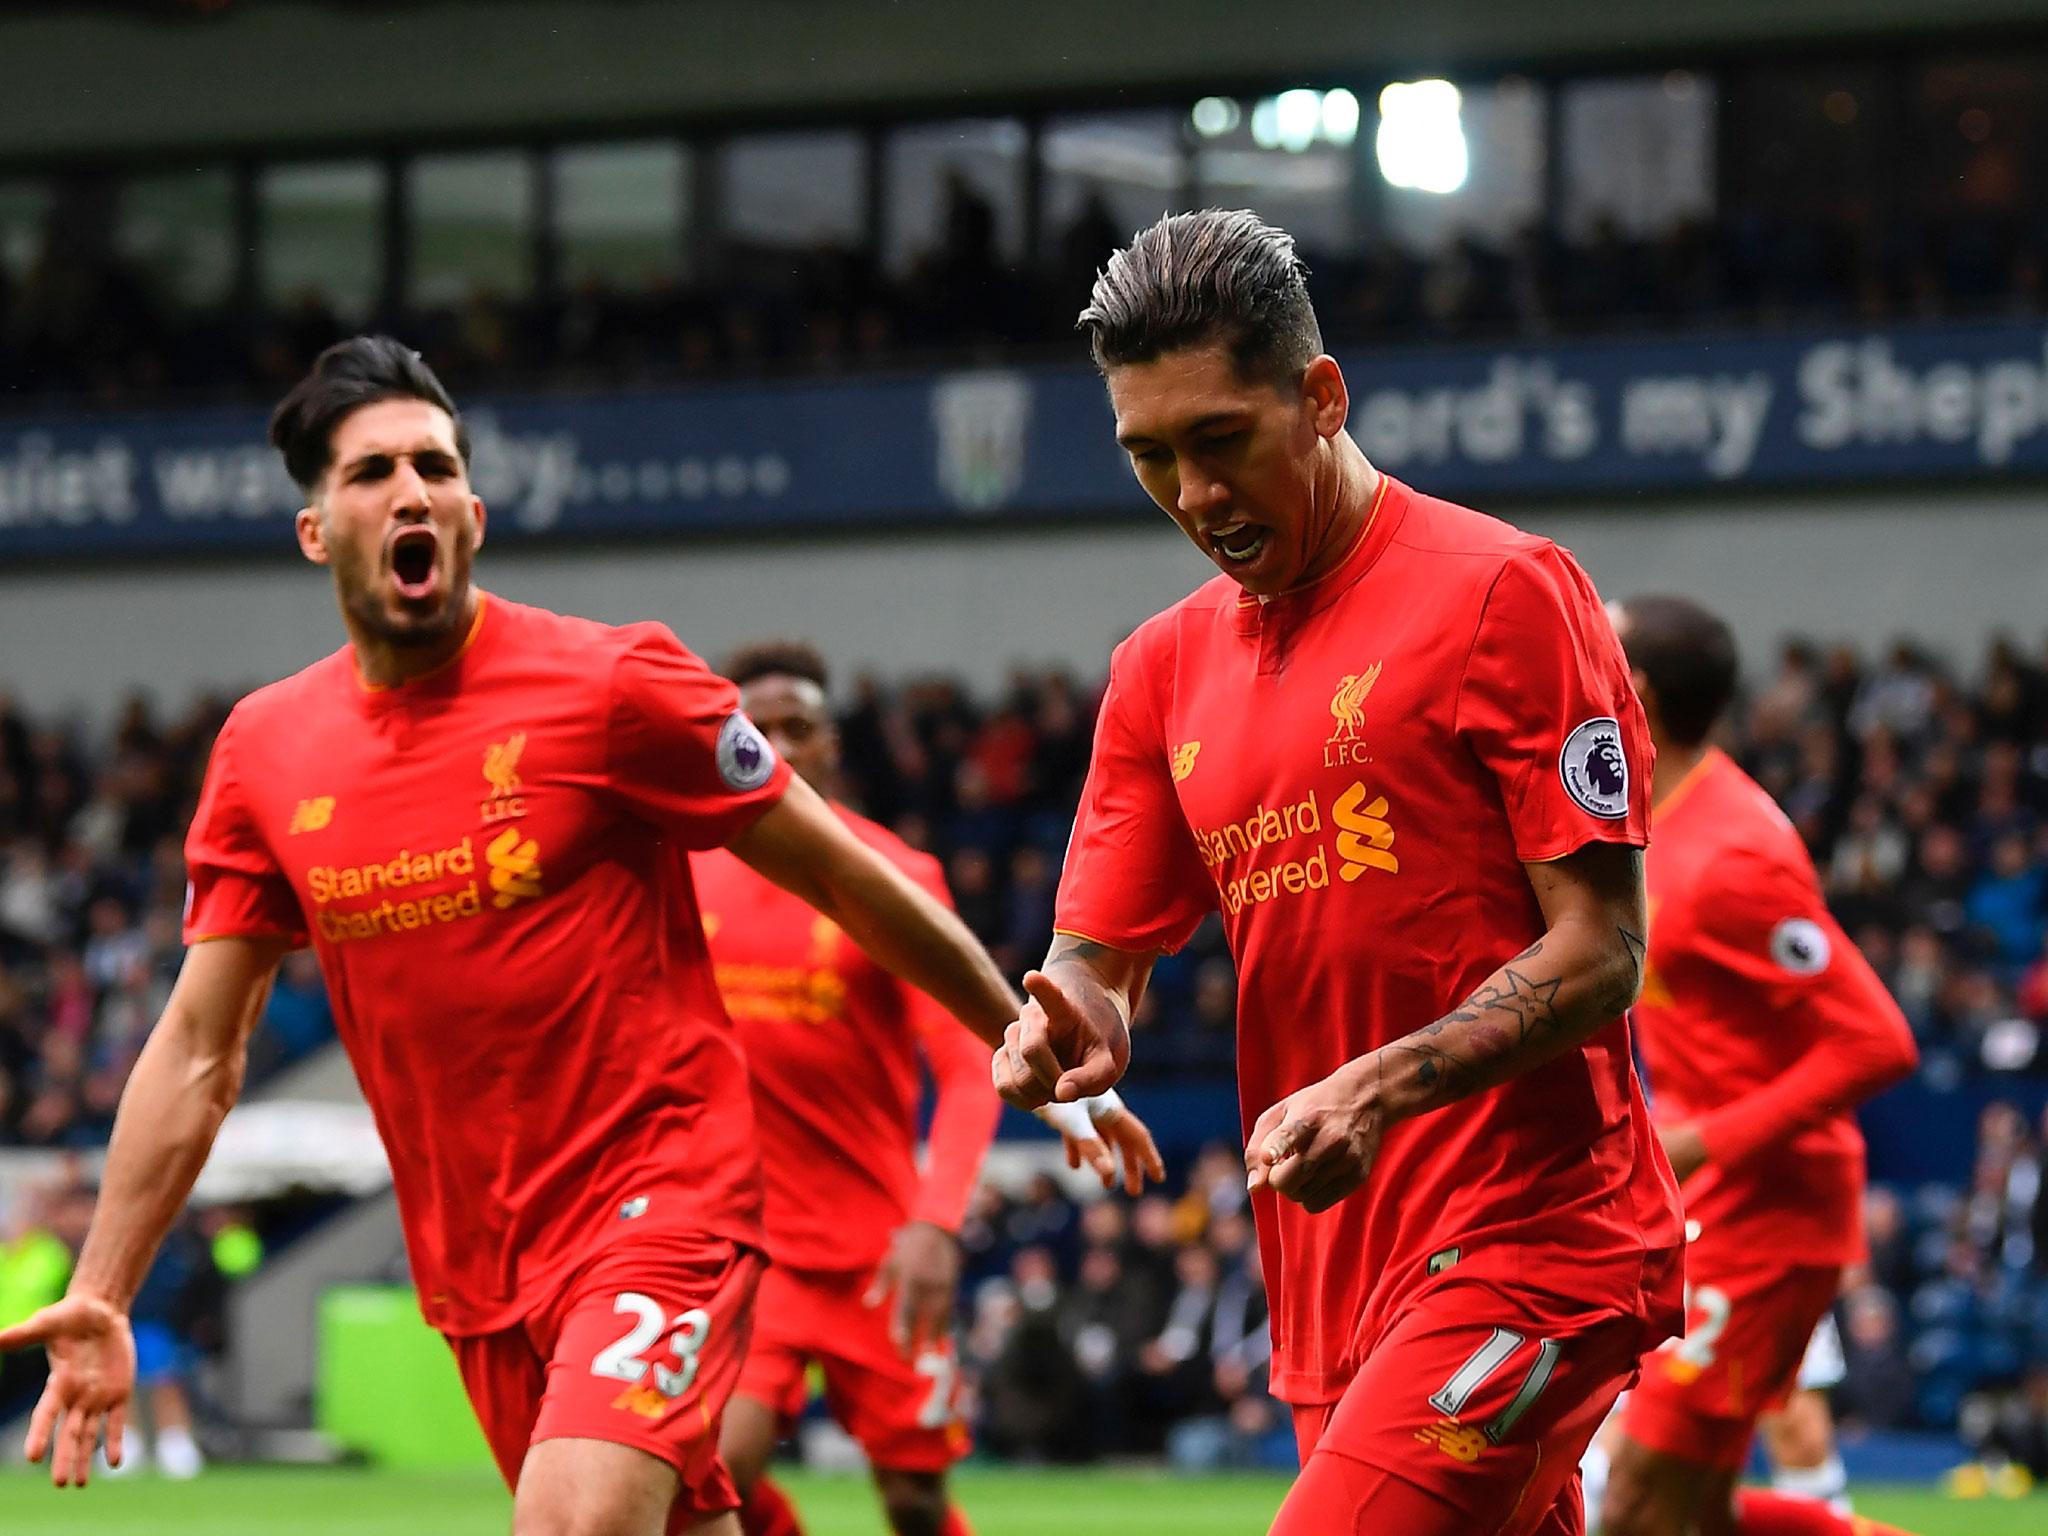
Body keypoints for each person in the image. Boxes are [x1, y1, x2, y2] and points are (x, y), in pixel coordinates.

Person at [0, 336, 1039, 1536]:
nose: (412, 492)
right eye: (373, 471)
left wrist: (1033, 1045)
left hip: (661, 1196)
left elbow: (850, 879)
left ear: (474, 513)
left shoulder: (613, 686)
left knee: (574, 1522)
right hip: (476, 1257)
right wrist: (103, 1288)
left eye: (435, 467)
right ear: (314, 529)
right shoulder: (263, 753)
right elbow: (196, 1048)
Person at [992, 208, 1685, 1536]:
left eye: (1220, 442)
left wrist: (1373, 1085)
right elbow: (1102, 956)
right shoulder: (1158, 671)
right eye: (1150, 457)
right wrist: (1071, 1018)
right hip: (1333, 1266)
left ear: (1320, 396)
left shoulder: (1504, 593)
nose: (1193, 496)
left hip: (1538, 1244)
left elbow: (1603, 951)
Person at [690, 639, 1161, 1536]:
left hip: (881, 1254)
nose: (784, 749)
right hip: (747, 1253)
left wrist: (937, 1222)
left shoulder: (893, 878)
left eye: (804, 729)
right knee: (711, 1476)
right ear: (733, 742)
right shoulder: (684, 870)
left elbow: (963, 1058)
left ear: (833, 746)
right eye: (762, 729)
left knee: (913, 1500)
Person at [1596, 594, 1919, 1536]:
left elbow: (1877, 1039)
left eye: (1596, 646)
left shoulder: (1733, 850)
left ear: (1637, 689)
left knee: (1634, 1512)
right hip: (1715, 1208)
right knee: (1692, 1516)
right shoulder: (1648, 822)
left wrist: (1700, 1140)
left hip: (1767, 1218)